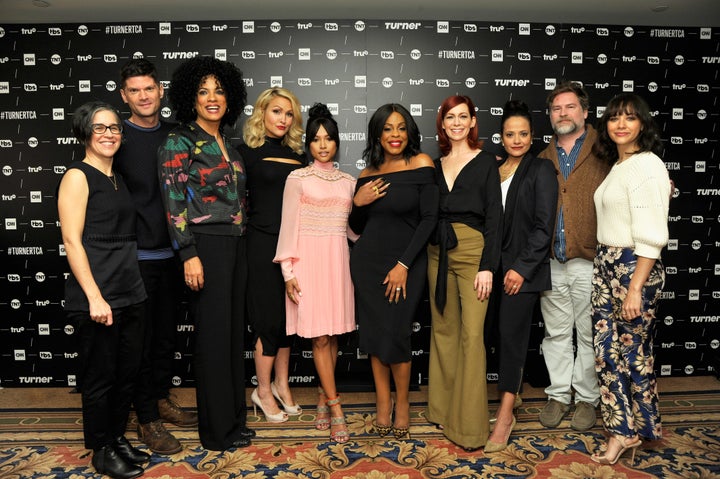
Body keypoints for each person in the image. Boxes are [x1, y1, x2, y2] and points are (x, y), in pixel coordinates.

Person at [158, 56, 253, 451]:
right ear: (189, 98)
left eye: (219, 90)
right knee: (213, 340)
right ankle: (216, 433)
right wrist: (188, 254)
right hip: (206, 247)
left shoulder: (226, 143)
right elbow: (173, 201)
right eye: (203, 91)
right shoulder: (179, 140)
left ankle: (233, 421)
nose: (212, 98)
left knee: (231, 337)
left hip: (236, 243)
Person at [58, 101, 148, 479]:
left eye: (114, 128)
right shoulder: (77, 176)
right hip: (97, 295)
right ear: (84, 133)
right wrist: (95, 296)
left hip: (130, 291)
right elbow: (72, 240)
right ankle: (100, 449)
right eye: (100, 128)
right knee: (99, 378)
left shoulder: (117, 178)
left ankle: (115, 437)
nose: (109, 134)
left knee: (126, 374)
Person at [115, 58, 194, 456]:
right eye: (135, 90)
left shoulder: (177, 136)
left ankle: (161, 398)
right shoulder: (117, 138)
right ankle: (145, 417)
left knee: (165, 335)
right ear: (124, 95)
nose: (143, 96)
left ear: (160, 90)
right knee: (141, 342)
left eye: (149, 88)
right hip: (137, 256)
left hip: (175, 252)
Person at [349, 103, 439, 440]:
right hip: (368, 261)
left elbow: (429, 218)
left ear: (410, 131)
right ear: (377, 134)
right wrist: (357, 203)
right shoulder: (367, 173)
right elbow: (357, 226)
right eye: (387, 128)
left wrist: (403, 264)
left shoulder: (422, 164)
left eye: (401, 127)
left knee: (397, 334)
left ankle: (402, 404)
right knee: (374, 337)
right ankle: (381, 404)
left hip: (407, 263)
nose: (395, 135)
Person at [589, 93, 670, 465]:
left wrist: (635, 287)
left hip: (632, 266)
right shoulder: (620, 166)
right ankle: (629, 430)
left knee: (627, 355)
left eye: (630, 118)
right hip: (607, 264)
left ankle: (627, 432)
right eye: (614, 118)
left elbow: (652, 233)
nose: (621, 124)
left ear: (642, 124)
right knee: (615, 354)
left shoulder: (647, 165)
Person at [274, 103, 358, 443]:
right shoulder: (298, 178)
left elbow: (352, 231)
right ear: (308, 144)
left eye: (329, 139)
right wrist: (287, 272)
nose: (322, 145)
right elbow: (288, 228)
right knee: (319, 338)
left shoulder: (349, 182)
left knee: (334, 334)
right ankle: (336, 406)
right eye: (316, 139)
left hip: (337, 262)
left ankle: (323, 397)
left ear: (337, 143)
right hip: (307, 262)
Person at [426, 95, 502, 450]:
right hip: (437, 252)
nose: (456, 123)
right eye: (449, 117)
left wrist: (487, 266)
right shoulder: (435, 164)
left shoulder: (486, 162)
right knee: (443, 330)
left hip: (473, 255)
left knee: (472, 336)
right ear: (442, 124)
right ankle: (442, 410)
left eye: (462, 117)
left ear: (473, 121)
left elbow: (495, 220)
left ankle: (469, 428)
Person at [485, 100, 558, 453]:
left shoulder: (540, 170)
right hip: (494, 269)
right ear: (501, 137)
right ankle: (509, 399)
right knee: (496, 336)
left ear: (532, 137)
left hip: (522, 272)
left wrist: (521, 269)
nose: (516, 140)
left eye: (523, 134)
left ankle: (504, 416)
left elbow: (544, 228)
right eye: (510, 134)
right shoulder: (494, 168)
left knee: (513, 339)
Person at [537, 81, 610, 431]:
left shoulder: (606, 148)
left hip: (590, 260)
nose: (562, 113)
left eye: (569, 107)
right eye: (556, 109)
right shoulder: (542, 157)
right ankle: (558, 395)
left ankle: (586, 399)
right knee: (555, 333)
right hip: (552, 261)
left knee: (588, 332)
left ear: (584, 111)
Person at [240, 87, 306, 423]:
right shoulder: (245, 154)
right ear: (262, 113)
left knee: (288, 322)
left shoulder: (301, 156)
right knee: (268, 320)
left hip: (294, 248)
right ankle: (262, 390)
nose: (283, 119)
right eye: (277, 111)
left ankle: (282, 383)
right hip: (261, 244)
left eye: (289, 113)